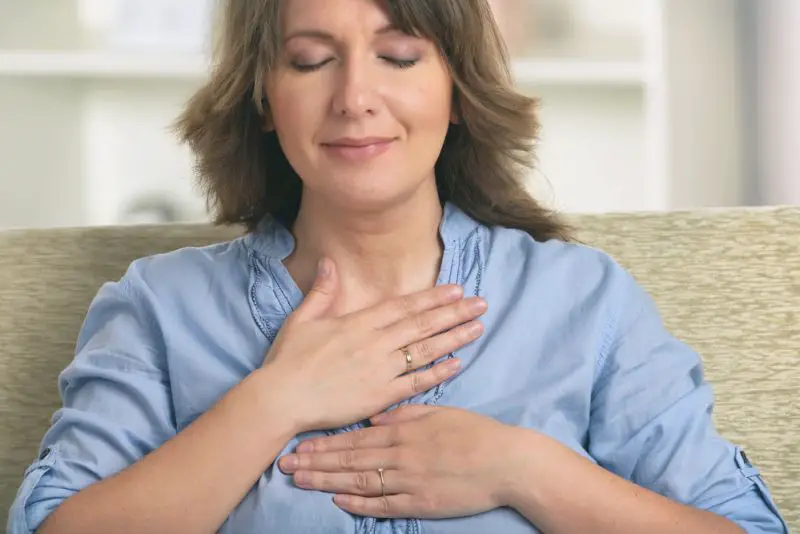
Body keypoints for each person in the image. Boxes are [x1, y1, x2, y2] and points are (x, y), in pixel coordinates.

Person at [7, 0, 789, 532]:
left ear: (457, 91)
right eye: (311, 61)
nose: (355, 96)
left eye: (400, 55)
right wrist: (273, 403)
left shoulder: (584, 302)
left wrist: (527, 471)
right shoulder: (159, 308)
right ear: (261, 99)